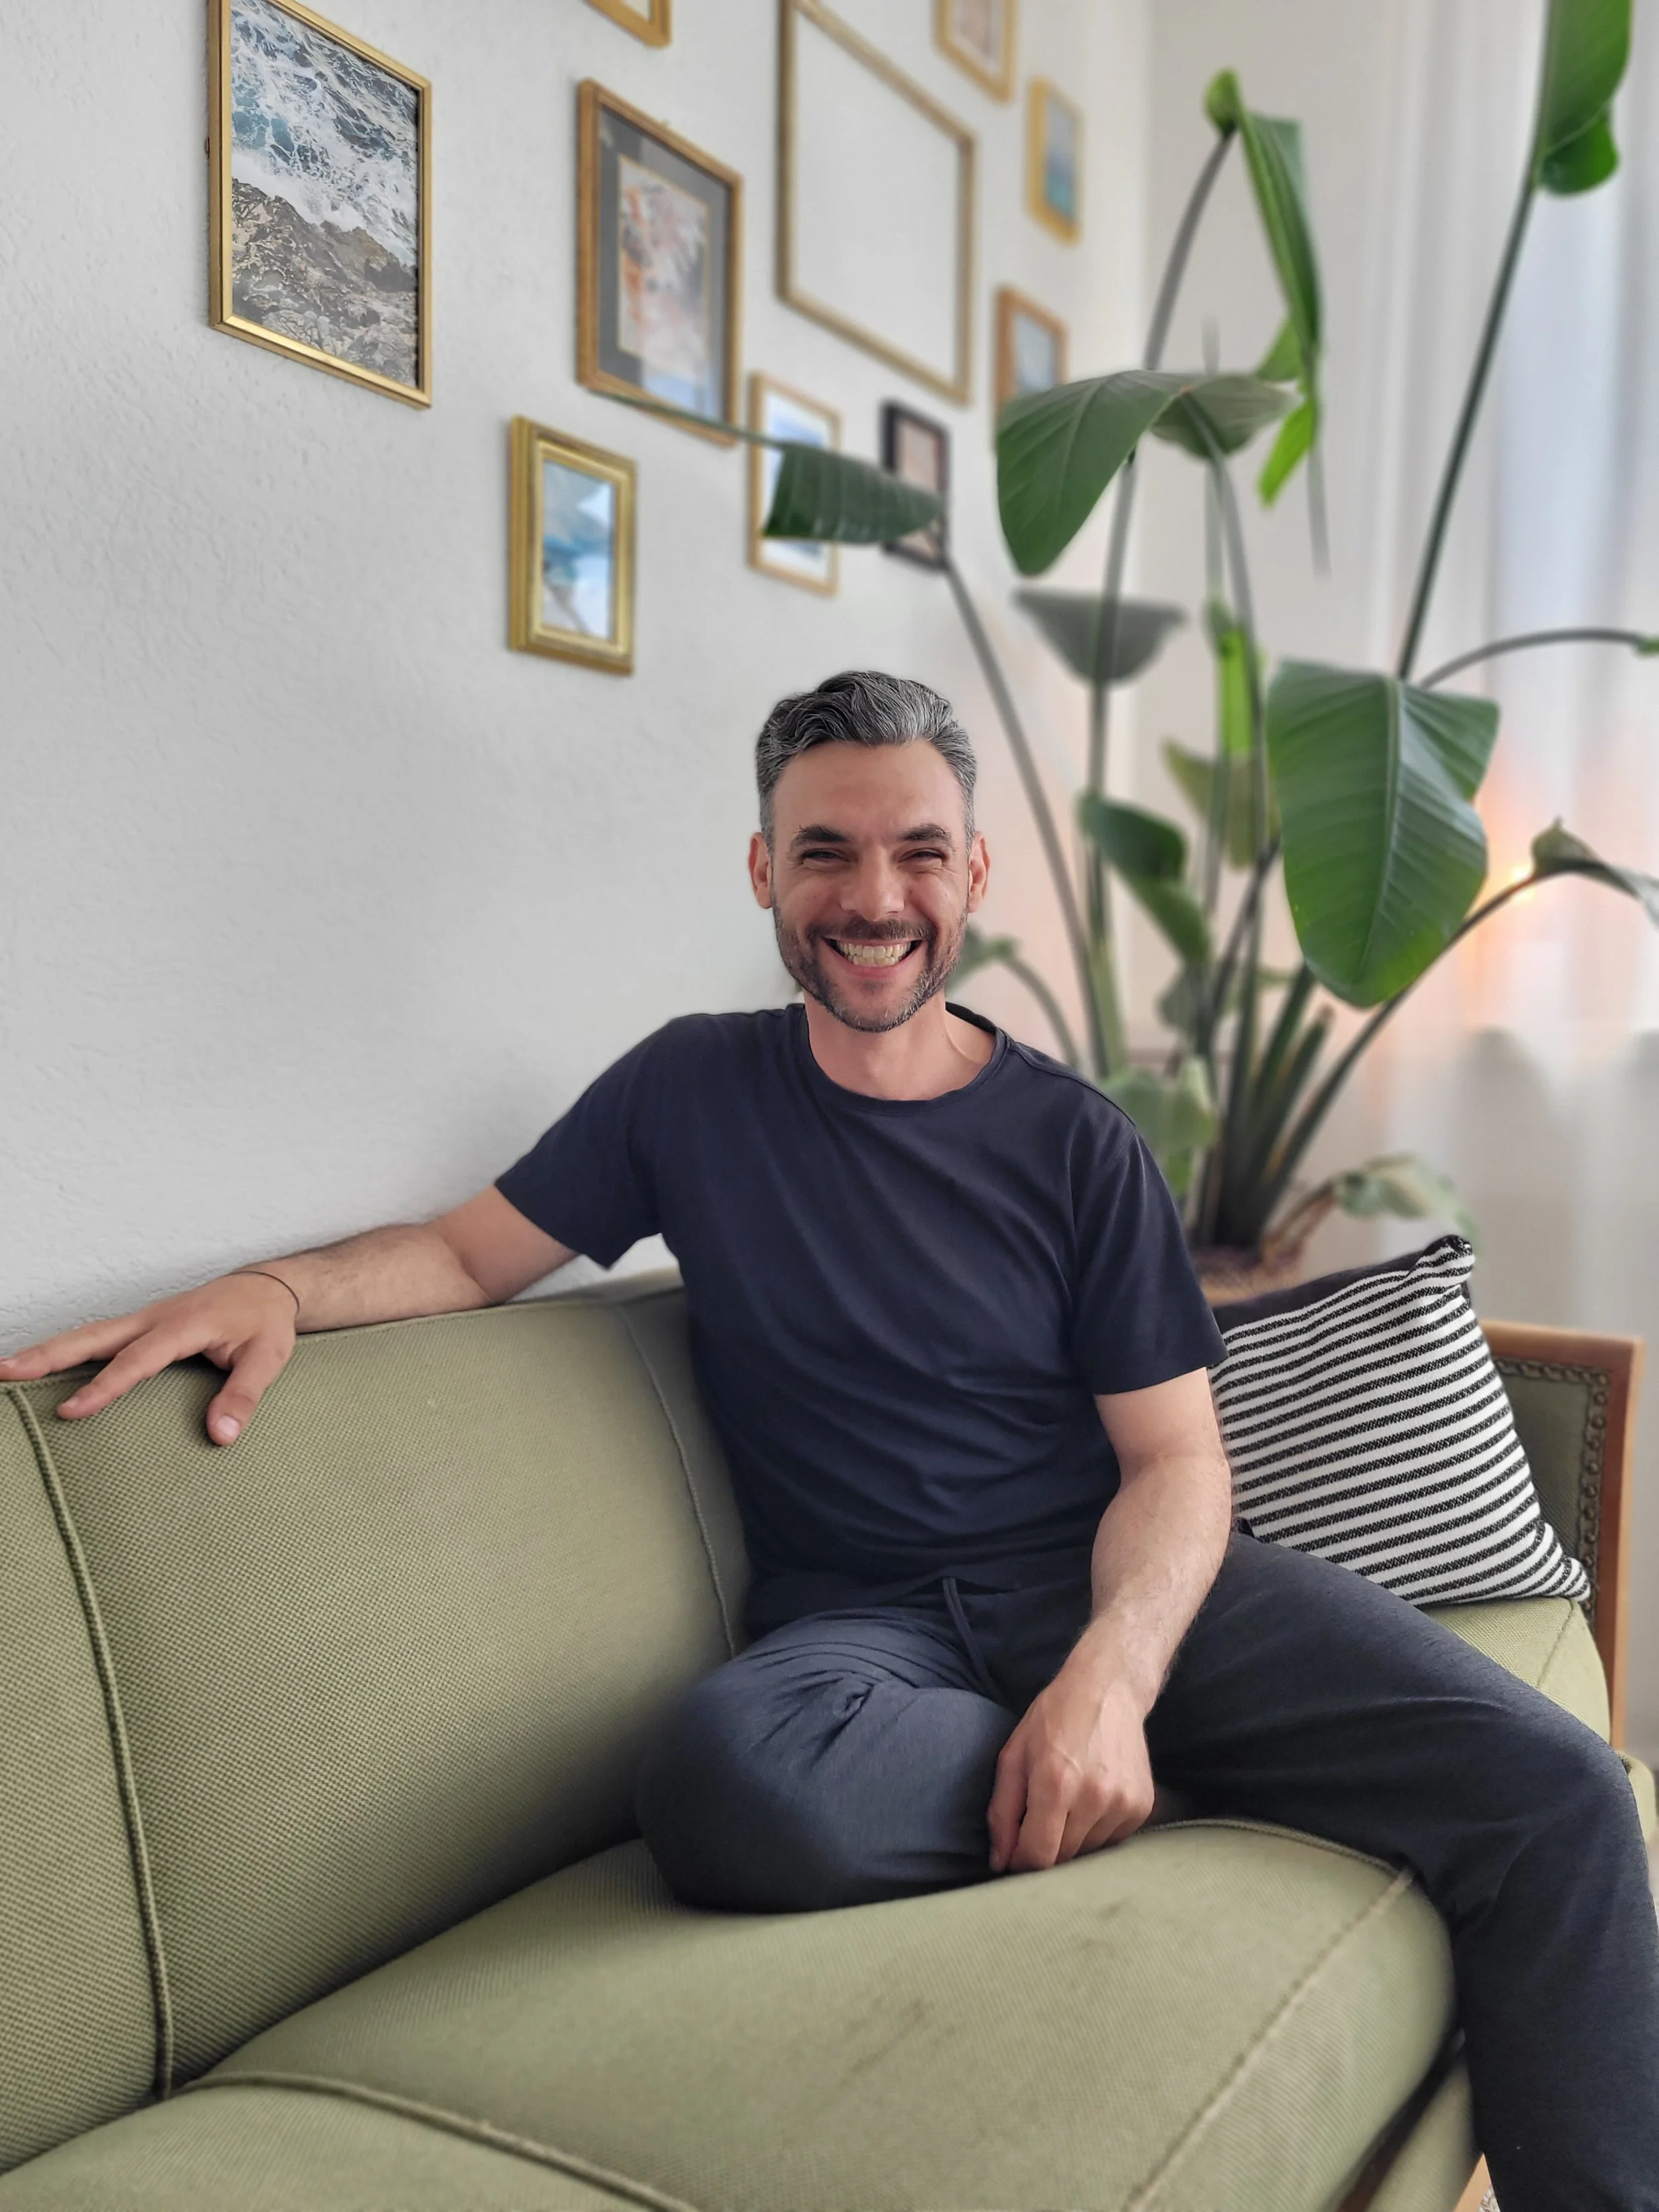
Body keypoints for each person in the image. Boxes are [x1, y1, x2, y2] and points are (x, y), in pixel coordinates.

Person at [3, 671, 1654, 2211]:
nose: (873, 895)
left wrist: (1107, 1679)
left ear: (974, 870)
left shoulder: (1077, 1145)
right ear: (763, 871)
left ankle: (1129, 1754)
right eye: (827, 852)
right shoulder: (683, 1092)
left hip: (1110, 1588)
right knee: (727, 1788)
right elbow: (459, 1254)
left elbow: (1176, 1465)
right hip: (863, 1640)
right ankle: (1124, 1782)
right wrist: (277, 1287)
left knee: (1559, 1795)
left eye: (915, 851)